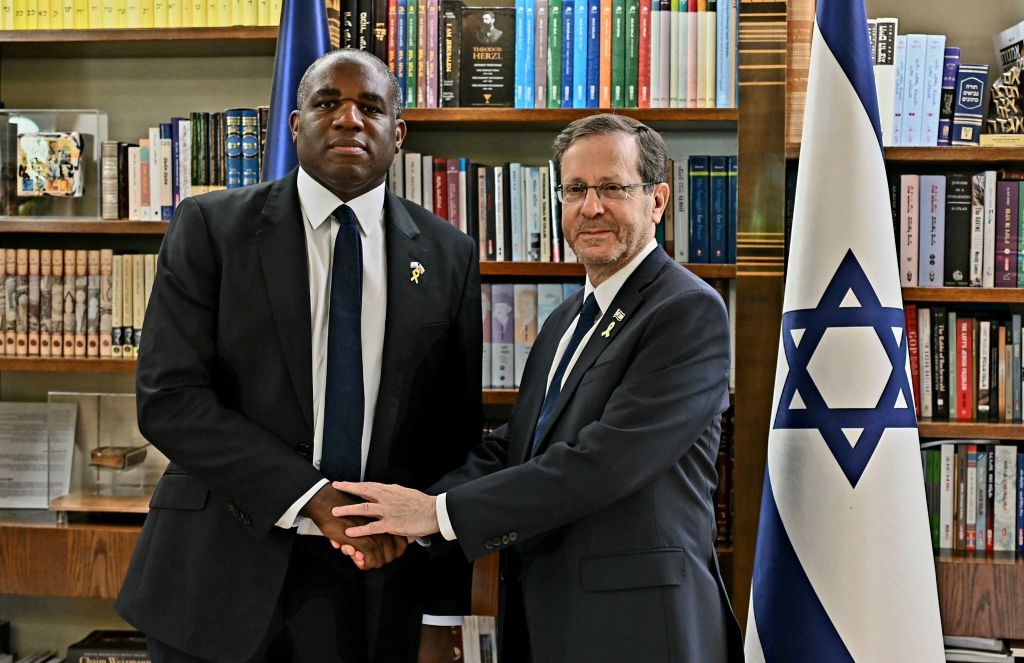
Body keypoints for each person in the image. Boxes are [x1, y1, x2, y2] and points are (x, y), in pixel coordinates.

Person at [333, 113, 743, 662]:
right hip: (546, 615)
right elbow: (517, 445)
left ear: (658, 200)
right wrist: (416, 509)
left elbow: (604, 462)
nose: (591, 208)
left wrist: (438, 514)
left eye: (613, 188)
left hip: (639, 626)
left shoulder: (687, 310)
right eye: (575, 189)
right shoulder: (565, 319)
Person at [115, 48, 481, 662]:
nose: (348, 119)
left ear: (398, 133)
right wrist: (312, 496)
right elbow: (169, 398)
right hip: (215, 570)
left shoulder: (449, 254)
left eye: (370, 107)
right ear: (294, 125)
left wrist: (437, 601)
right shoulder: (211, 227)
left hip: (373, 580)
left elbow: (453, 432)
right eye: (327, 103)